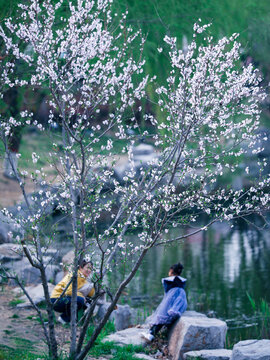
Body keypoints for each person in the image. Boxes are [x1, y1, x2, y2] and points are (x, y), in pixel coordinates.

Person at [142, 262, 187, 341]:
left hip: (170, 299)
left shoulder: (169, 281)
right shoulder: (181, 282)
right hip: (178, 299)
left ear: (171, 271)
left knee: (161, 315)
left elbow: (167, 293)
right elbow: (180, 295)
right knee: (166, 315)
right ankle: (152, 332)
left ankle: (151, 334)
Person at [50, 259, 95, 324]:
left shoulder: (84, 279)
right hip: (56, 300)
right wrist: (82, 298)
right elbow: (69, 291)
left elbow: (90, 294)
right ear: (80, 267)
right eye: (88, 268)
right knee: (80, 300)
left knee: (87, 300)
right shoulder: (75, 275)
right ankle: (63, 319)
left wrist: (95, 283)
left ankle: (76, 320)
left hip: (66, 299)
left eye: (91, 269)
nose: (89, 270)